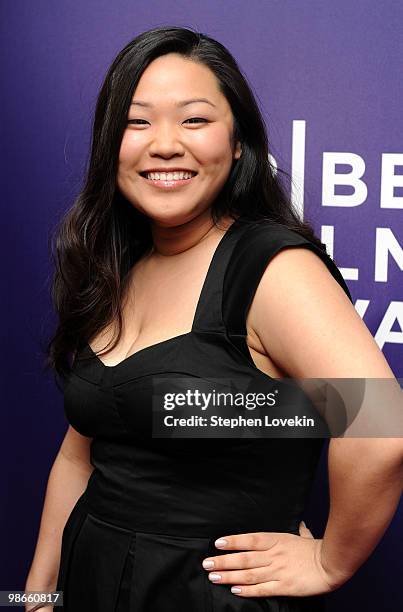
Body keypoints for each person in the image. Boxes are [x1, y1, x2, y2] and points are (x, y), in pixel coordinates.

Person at [25, 26, 403, 612]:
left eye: (195, 120)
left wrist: (332, 561)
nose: (165, 144)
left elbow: (380, 424)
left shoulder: (271, 268)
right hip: (91, 578)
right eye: (137, 121)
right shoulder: (120, 264)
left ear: (239, 145)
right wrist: (40, 592)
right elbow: (81, 452)